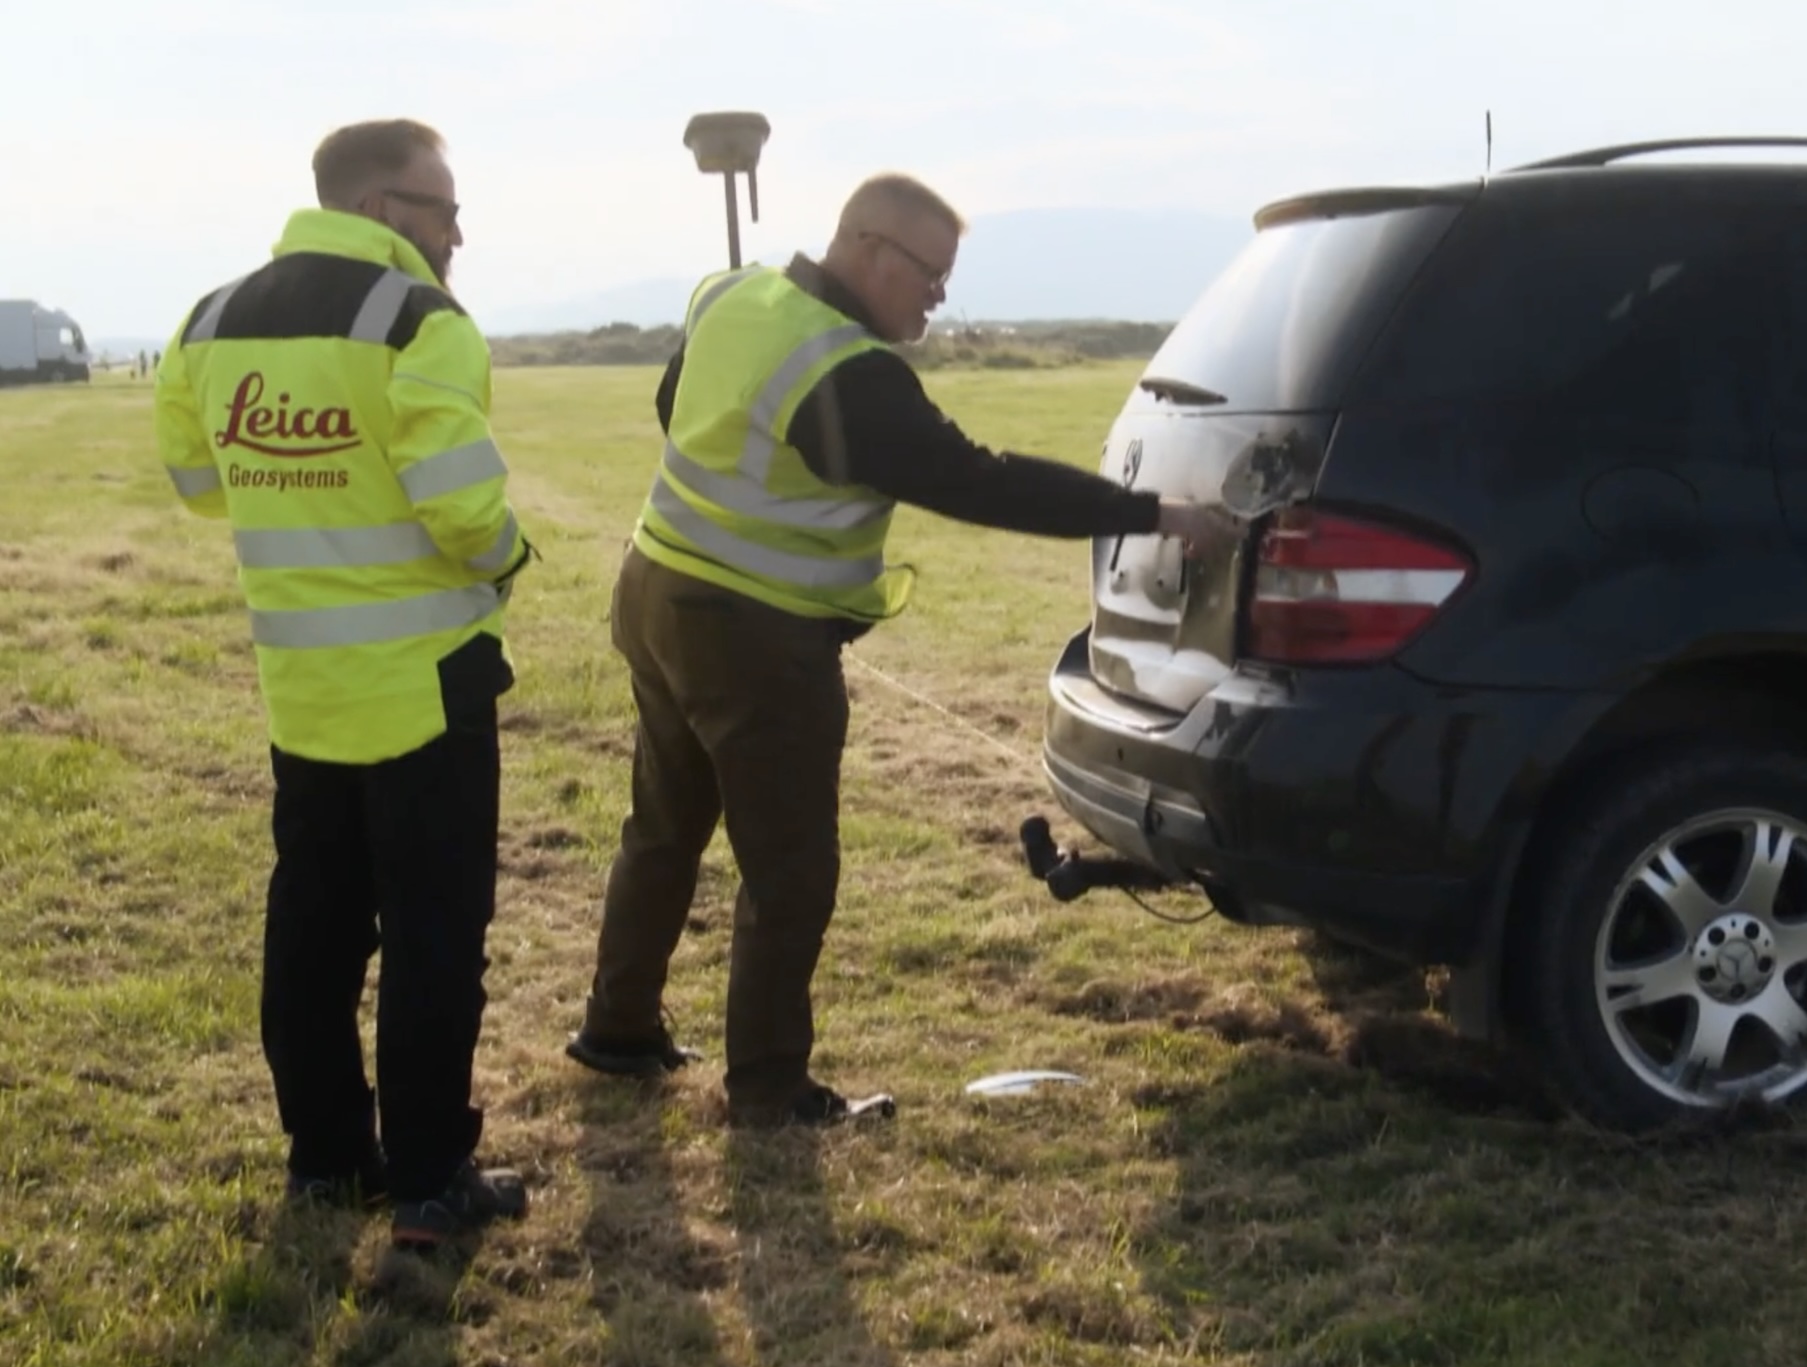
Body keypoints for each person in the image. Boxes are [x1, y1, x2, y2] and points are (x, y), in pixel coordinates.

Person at [563, 172, 1241, 1126]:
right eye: (928, 274)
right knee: (790, 871)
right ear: (869, 248)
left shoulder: (735, 294)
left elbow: (675, 405)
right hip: (753, 636)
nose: (937, 296)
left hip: (654, 587)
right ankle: (767, 1090)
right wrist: (1157, 512)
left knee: (664, 827)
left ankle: (618, 1028)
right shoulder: (847, 371)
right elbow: (979, 482)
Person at [154, 118, 534, 1250]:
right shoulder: (418, 319)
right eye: (443, 208)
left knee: (313, 931)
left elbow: (194, 484)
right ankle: (429, 1180)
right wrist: (509, 551)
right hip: (423, 689)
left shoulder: (209, 319)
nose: (456, 231)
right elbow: (466, 511)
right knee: (432, 937)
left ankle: (326, 1159)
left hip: (300, 692)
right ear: (382, 211)